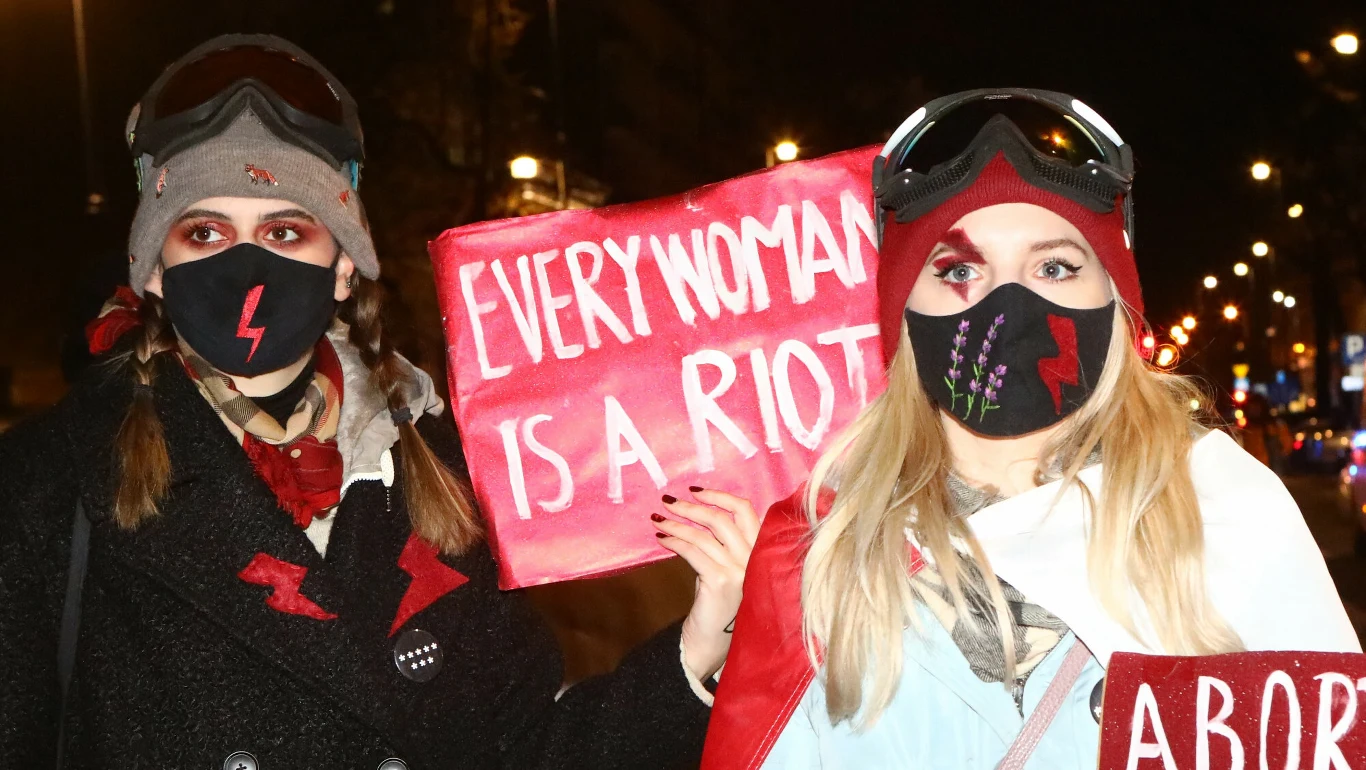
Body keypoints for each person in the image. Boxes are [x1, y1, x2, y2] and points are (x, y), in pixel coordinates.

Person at [0, 35, 758, 768]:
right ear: (153, 269)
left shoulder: (443, 473)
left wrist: (699, 644)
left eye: (285, 231)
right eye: (204, 232)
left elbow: (529, 753)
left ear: (342, 266)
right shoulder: (47, 490)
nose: (247, 268)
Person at [700, 89, 1360, 769]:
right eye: (959, 269)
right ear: (903, 314)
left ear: (1114, 301)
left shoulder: (1223, 514)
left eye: (1055, 267)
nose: (1008, 302)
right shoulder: (821, 555)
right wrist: (705, 651)